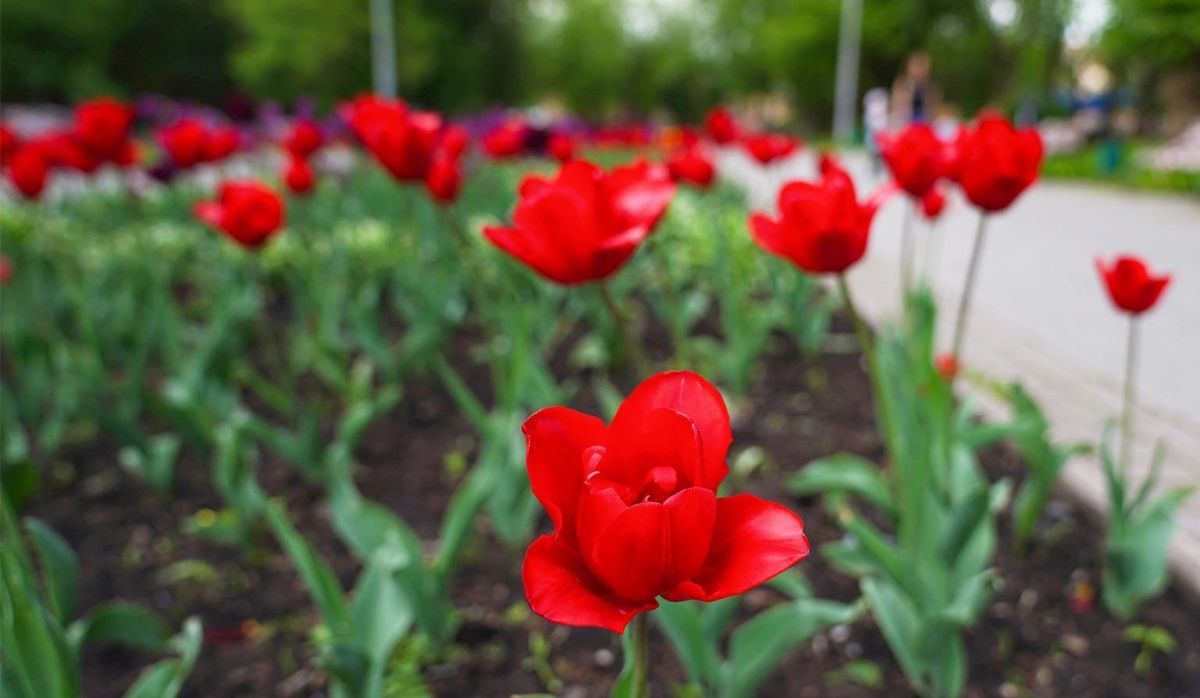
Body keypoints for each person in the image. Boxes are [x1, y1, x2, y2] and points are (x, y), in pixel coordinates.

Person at [891, 52, 939, 126]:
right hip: (905, 118)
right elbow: (897, 105)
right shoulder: (902, 83)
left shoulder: (930, 86)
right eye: (915, 66)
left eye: (921, 66)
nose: (918, 70)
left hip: (925, 120)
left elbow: (933, 107)